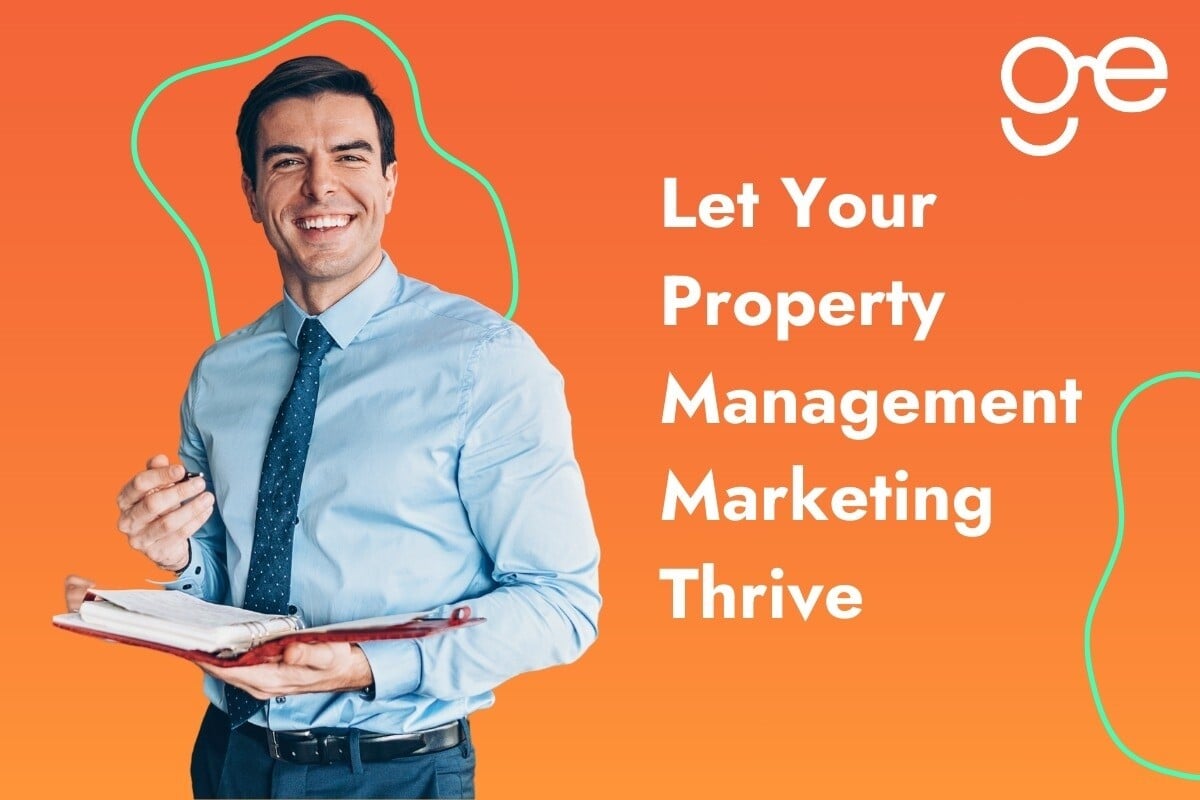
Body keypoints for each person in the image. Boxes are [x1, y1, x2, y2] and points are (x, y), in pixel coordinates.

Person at [107, 55, 601, 798]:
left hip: (392, 772)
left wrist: (367, 665)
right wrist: (176, 552)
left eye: (349, 156)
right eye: (287, 161)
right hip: (229, 761)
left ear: (390, 182)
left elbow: (561, 602)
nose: (320, 186)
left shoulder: (485, 361)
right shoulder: (220, 374)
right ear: (251, 192)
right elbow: (218, 578)